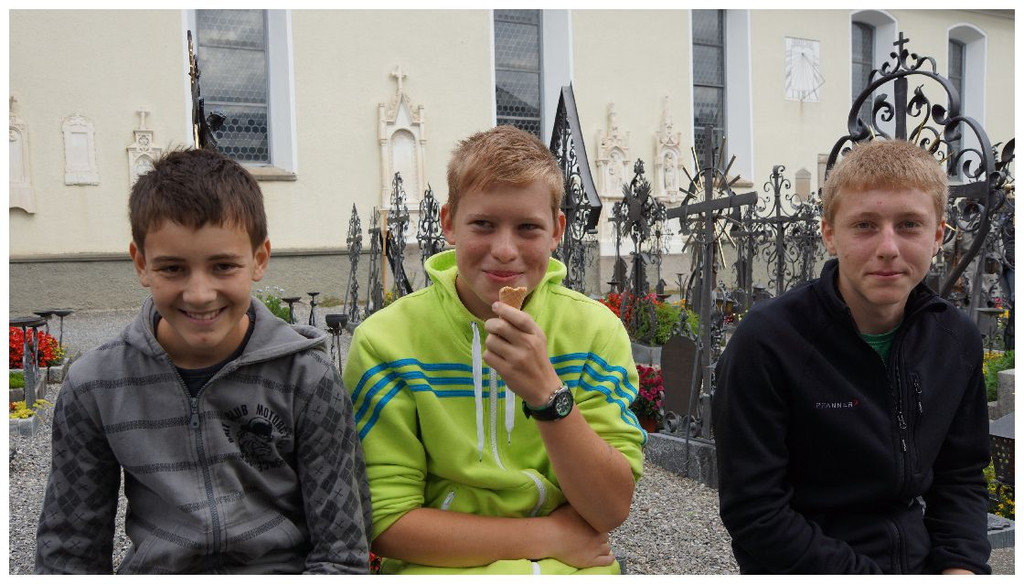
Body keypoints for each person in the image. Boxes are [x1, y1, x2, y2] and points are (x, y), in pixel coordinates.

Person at [36, 148, 372, 574]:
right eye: (173, 268)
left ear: (259, 259)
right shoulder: (95, 386)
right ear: (141, 264)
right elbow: (70, 553)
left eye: (223, 266)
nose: (199, 294)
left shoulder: (307, 379)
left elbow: (342, 554)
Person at [343, 125, 646, 575]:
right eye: (483, 224)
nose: (504, 251)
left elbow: (609, 508)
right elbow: (386, 521)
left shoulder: (594, 333)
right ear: (449, 223)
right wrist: (549, 537)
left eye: (528, 228)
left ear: (557, 230)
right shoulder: (387, 342)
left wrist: (547, 395)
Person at [712, 139, 992, 574]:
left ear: (938, 235)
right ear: (830, 234)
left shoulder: (954, 340)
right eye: (864, 225)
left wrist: (960, 567)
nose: (888, 247)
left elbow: (961, 476)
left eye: (909, 225)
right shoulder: (769, 342)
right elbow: (756, 511)